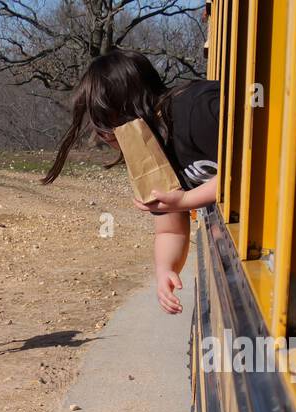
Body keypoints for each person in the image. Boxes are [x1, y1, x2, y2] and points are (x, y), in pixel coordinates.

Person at [42, 50, 220, 315]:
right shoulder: (145, 152)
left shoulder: (199, 109)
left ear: (126, 106)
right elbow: (170, 230)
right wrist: (165, 271)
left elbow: (257, 168)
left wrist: (186, 200)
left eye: (102, 120)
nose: (99, 134)